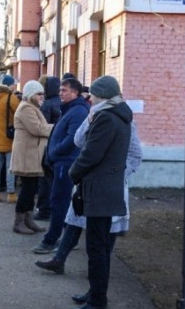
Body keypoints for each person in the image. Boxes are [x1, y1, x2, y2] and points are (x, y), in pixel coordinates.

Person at [34, 102, 142, 274]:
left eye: (95, 95)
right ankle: (59, 260)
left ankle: (99, 275)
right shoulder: (94, 116)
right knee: (75, 217)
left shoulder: (125, 123)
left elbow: (135, 154)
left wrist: (118, 176)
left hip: (109, 186)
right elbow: (79, 140)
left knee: (107, 229)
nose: (91, 98)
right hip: (88, 181)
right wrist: (89, 120)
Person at [69, 75, 133, 309]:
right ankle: (95, 292)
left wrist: (73, 173)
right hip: (107, 187)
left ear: (102, 95)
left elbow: (91, 153)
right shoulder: (119, 115)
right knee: (101, 246)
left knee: (97, 247)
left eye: (93, 94)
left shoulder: (105, 117)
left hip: (99, 189)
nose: (90, 98)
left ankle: (98, 300)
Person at [32, 77, 89, 254]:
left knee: (59, 202)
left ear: (75, 92)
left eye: (64, 90)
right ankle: (67, 239)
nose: (60, 93)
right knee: (62, 201)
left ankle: (51, 240)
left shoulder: (78, 111)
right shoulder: (70, 109)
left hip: (66, 162)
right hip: (61, 162)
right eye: (60, 90)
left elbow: (73, 139)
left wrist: (55, 152)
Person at [10, 80, 54, 234]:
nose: (42, 96)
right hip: (27, 156)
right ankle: (19, 222)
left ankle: (28, 220)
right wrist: (57, 127)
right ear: (31, 94)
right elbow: (37, 129)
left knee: (31, 188)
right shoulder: (26, 108)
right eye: (39, 94)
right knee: (27, 190)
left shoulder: (31, 107)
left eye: (42, 93)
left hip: (31, 155)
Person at [0, 74, 20, 203]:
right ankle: (11, 193)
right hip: (9, 136)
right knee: (10, 166)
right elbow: (19, 113)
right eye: (13, 84)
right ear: (9, 85)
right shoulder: (10, 98)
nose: (15, 86)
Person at [35, 75, 61, 221]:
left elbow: (42, 127)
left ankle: (44, 210)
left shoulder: (47, 105)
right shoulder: (63, 103)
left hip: (48, 146)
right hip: (61, 147)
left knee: (45, 180)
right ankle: (55, 209)